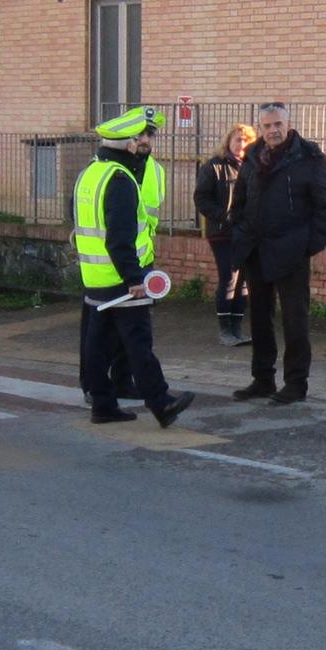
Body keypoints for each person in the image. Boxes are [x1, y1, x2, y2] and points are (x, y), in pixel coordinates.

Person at [74, 105, 195, 428]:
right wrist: (134, 278)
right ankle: (161, 402)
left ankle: (102, 404)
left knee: (97, 343)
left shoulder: (91, 173)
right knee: (138, 342)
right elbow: (119, 239)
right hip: (122, 276)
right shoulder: (121, 180)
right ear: (128, 144)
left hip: (94, 275)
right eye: (141, 136)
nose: (145, 140)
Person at [227, 102, 326, 405]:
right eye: (267, 126)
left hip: (290, 251)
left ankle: (295, 384)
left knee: (294, 320)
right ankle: (262, 379)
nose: (273, 131)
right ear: (260, 128)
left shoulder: (309, 157)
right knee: (259, 319)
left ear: (288, 124)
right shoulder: (252, 157)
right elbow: (239, 202)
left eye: (278, 124)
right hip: (255, 250)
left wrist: (306, 245)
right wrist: (239, 233)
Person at [195, 122, 255, 347]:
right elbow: (202, 198)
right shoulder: (214, 167)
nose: (242, 144)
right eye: (238, 139)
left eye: (246, 140)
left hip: (247, 233)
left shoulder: (252, 167)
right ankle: (225, 330)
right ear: (228, 141)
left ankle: (238, 330)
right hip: (223, 233)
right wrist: (224, 216)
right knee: (229, 278)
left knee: (245, 282)